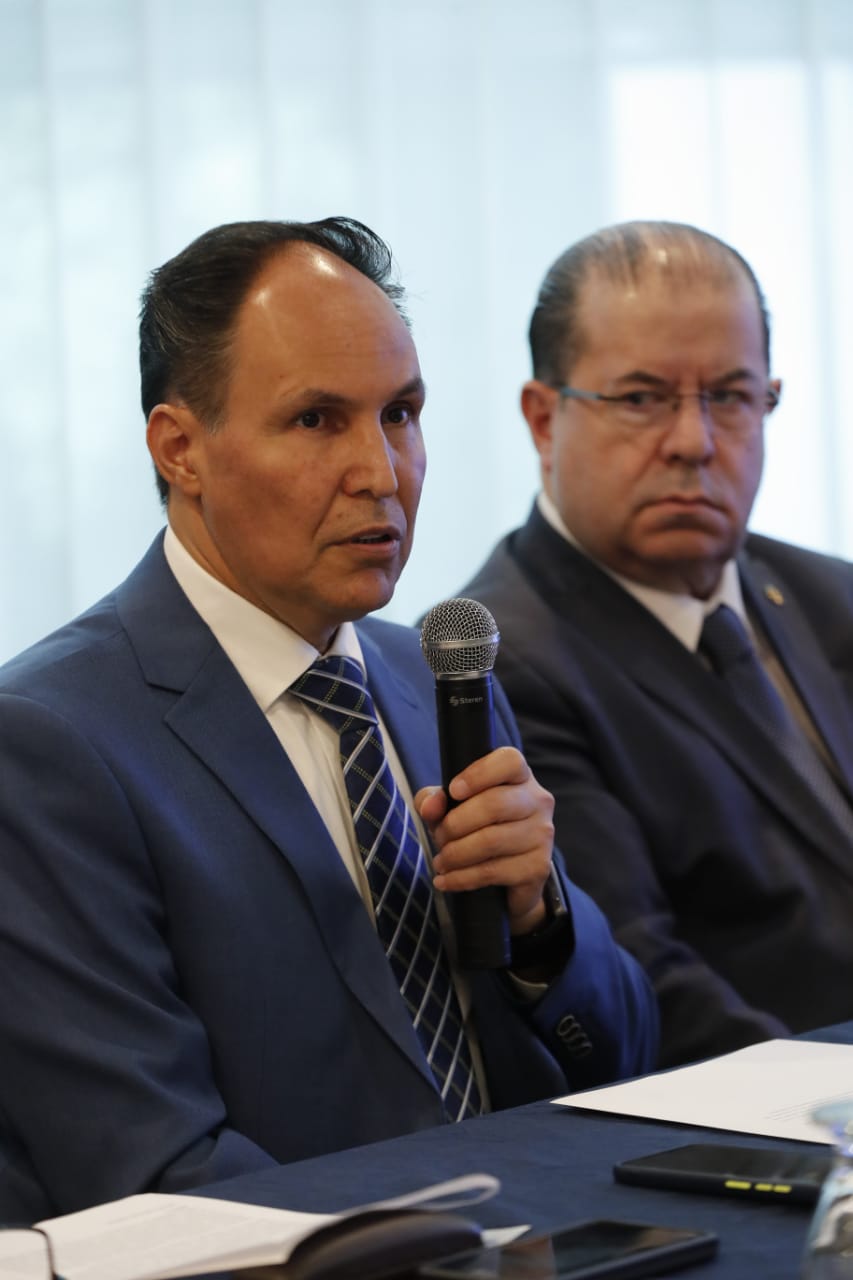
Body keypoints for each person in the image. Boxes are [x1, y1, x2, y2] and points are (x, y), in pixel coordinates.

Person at [0, 217, 657, 1222]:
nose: (381, 472)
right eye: (315, 420)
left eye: (400, 413)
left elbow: (628, 1057)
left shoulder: (440, 678)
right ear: (180, 448)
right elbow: (153, 1171)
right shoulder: (49, 742)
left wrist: (539, 925)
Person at [457, 219, 853, 1070]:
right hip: (768, 1111)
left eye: (730, 397)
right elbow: (645, 985)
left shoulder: (832, 598)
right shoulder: (506, 664)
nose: (692, 442)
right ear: (542, 419)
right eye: (640, 399)